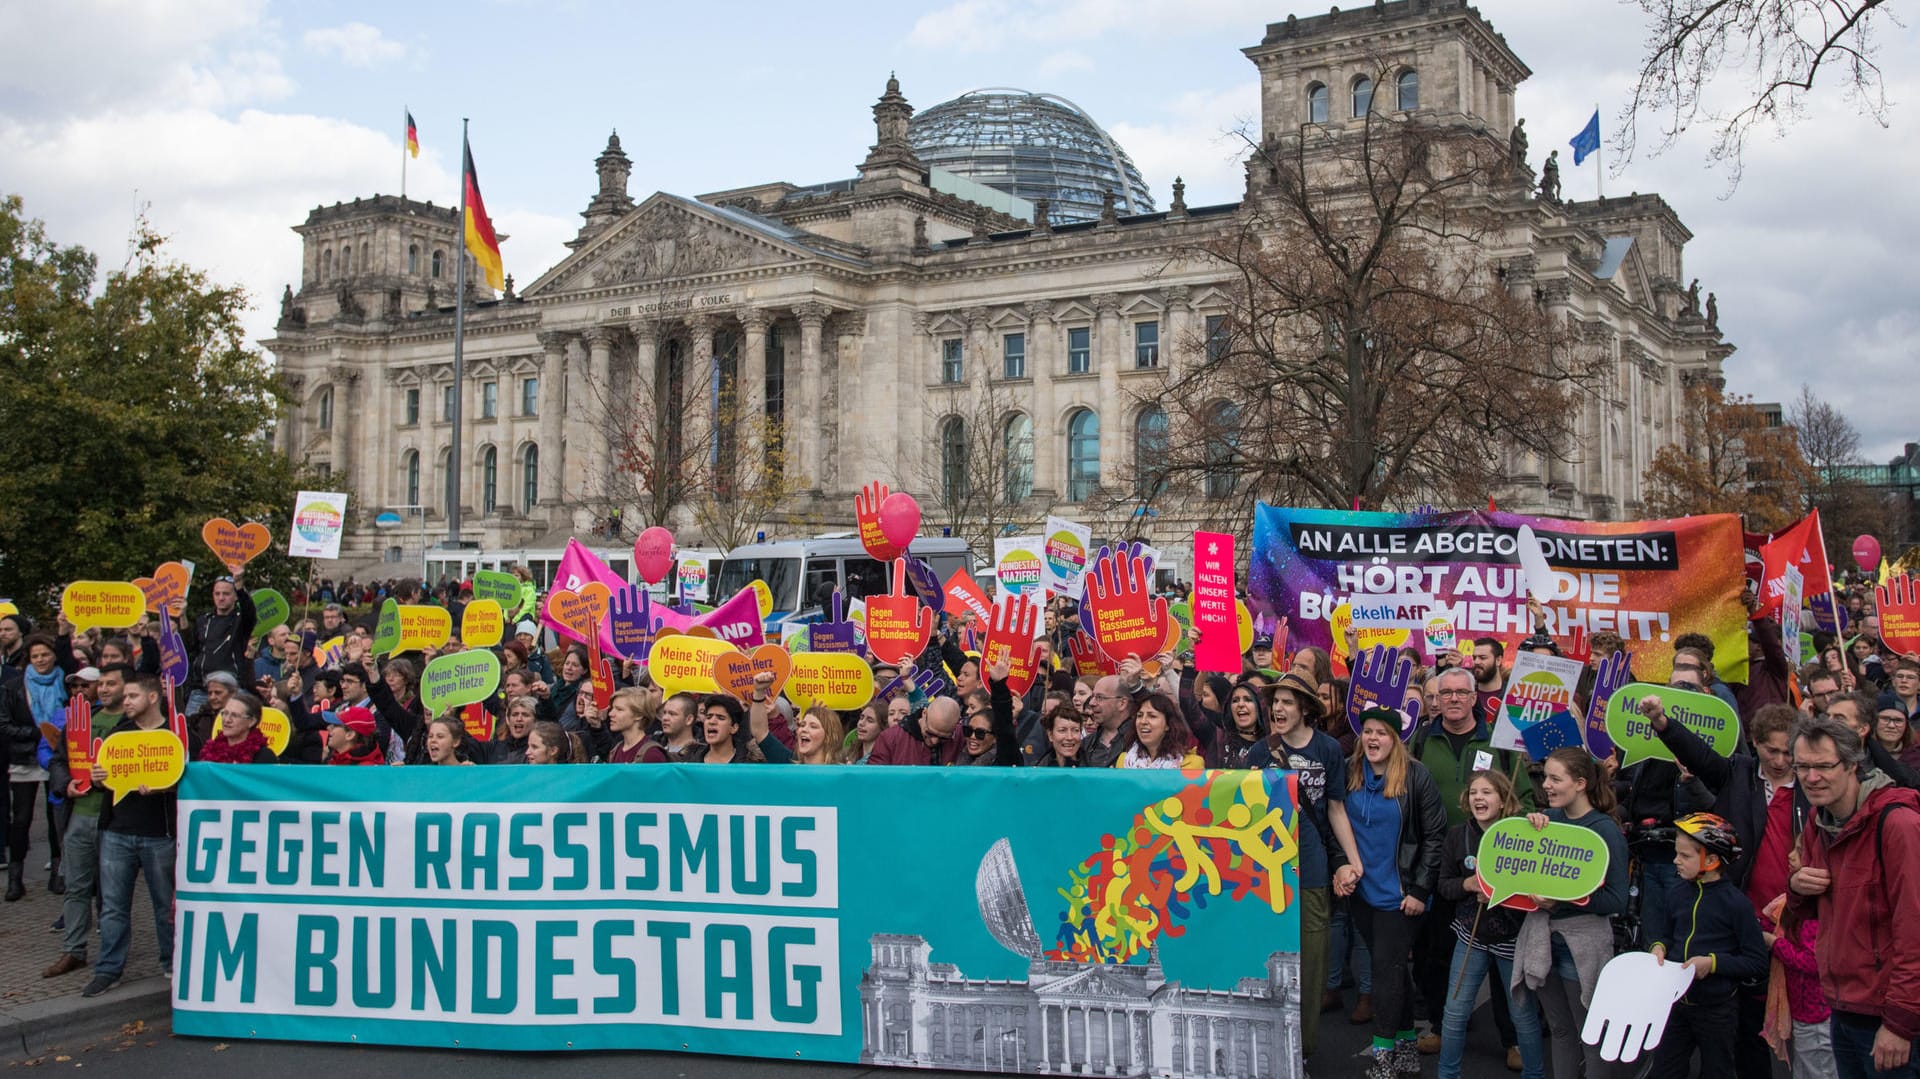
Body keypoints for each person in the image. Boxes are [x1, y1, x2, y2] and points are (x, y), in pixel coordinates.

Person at [1787, 714, 1920, 1079]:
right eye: (1802, 767)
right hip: (1843, 1008)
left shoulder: (1897, 824)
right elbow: (1812, 912)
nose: (1811, 778)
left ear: (1851, 765)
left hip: (1891, 1018)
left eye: (1824, 766)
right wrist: (1797, 887)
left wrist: (1900, 1023)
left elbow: (1915, 930)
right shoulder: (1820, 820)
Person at [1246, 671, 1357, 1061]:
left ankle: (1303, 1052)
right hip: (1265, 871)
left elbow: (1336, 808)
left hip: (1310, 868)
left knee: (1310, 964)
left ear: (1306, 708)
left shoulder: (1328, 750)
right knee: (1267, 958)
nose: (1278, 707)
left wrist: (1352, 862)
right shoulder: (1259, 754)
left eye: (1288, 701)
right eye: (1275, 701)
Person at [1338, 706, 1446, 1079]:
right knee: (1394, 970)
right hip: (1362, 894)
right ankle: (1406, 1047)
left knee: (1386, 970)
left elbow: (1434, 837)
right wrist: (1342, 866)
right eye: (1367, 731)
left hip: (1402, 897)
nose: (1372, 739)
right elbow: (1335, 825)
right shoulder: (1350, 771)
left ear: (1396, 738)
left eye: (1381, 732)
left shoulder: (1416, 776)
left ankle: (1383, 1055)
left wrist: (1419, 889)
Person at [1511, 747, 1631, 1079]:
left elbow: (1618, 899)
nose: (1546, 785)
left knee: (1590, 1035)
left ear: (1579, 783)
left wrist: (1565, 901)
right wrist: (1529, 829)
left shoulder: (1605, 830)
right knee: (1561, 1031)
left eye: (1554, 778)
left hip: (1583, 945)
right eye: (1545, 777)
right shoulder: (1550, 821)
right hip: (1543, 941)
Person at [82, 672, 201, 998]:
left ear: (152, 697)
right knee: (112, 907)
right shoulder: (119, 734)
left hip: (159, 834)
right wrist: (96, 778)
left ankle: (173, 964)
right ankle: (109, 969)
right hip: (117, 831)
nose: (125, 702)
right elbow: (102, 778)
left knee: (166, 905)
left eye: (132, 696)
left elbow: (196, 778)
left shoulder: (178, 736)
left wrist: (167, 787)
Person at [1436, 770, 1546, 1079]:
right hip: (1470, 935)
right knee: (1454, 1013)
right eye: (1473, 793)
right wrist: (1469, 884)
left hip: (1512, 937)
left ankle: (1534, 1074)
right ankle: (1447, 1075)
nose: (1479, 798)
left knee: (1522, 1016)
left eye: (1487, 792)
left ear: (1503, 800)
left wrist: (1541, 824)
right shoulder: (1458, 836)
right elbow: (1444, 885)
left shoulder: (1521, 833)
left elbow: (1537, 881)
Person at [1647, 812, 1769, 1079]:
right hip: (1676, 1003)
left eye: (1685, 856)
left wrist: (1713, 963)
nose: (1676, 861)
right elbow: (1666, 933)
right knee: (1664, 1071)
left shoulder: (1736, 904)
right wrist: (1659, 947)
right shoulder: (1677, 892)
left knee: (1717, 1071)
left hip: (1717, 1009)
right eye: (1677, 853)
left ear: (1712, 860)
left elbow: (1757, 961)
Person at [1, 633, 64, 900]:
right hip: (25, 758)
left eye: (45, 655)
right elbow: (4, 725)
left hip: (57, 757)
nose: (40, 660)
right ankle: (15, 879)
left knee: (55, 818)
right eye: (35, 656)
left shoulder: (66, 683)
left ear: (53, 656)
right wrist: (39, 733)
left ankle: (57, 874)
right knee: (22, 818)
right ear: (29, 658)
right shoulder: (14, 687)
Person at [867, 696, 964, 766]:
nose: (934, 741)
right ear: (924, 713)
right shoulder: (890, 738)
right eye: (930, 733)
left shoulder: (962, 735)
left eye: (943, 738)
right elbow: (874, 780)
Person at [1115, 692, 1202, 769]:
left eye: (1152, 716)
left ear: (1168, 725)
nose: (1143, 721)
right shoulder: (1124, 761)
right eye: (1140, 715)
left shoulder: (1191, 764)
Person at [196, 691, 276, 763]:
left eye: (234, 715)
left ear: (251, 721)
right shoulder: (210, 750)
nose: (227, 720)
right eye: (225, 713)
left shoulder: (263, 756)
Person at [603, 689, 659, 763]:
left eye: (619, 709)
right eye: (612, 708)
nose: (610, 714)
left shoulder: (652, 754)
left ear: (638, 715)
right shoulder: (616, 749)